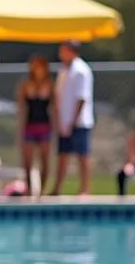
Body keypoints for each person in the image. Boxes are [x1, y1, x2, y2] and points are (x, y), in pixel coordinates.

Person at [50, 39, 94, 196]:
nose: (61, 53)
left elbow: (81, 98)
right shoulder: (64, 70)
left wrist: (73, 122)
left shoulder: (81, 70)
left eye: (64, 50)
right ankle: (57, 188)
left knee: (82, 155)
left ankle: (85, 189)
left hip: (79, 123)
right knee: (63, 155)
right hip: (64, 122)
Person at [15, 54, 56, 195]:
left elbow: (54, 107)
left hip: (44, 125)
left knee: (45, 161)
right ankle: (29, 189)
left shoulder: (50, 84)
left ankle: (42, 191)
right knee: (27, 161)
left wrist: (56, 127)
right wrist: (20, 128)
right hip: (30, 126)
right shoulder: (26, 84)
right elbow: (21, 107)